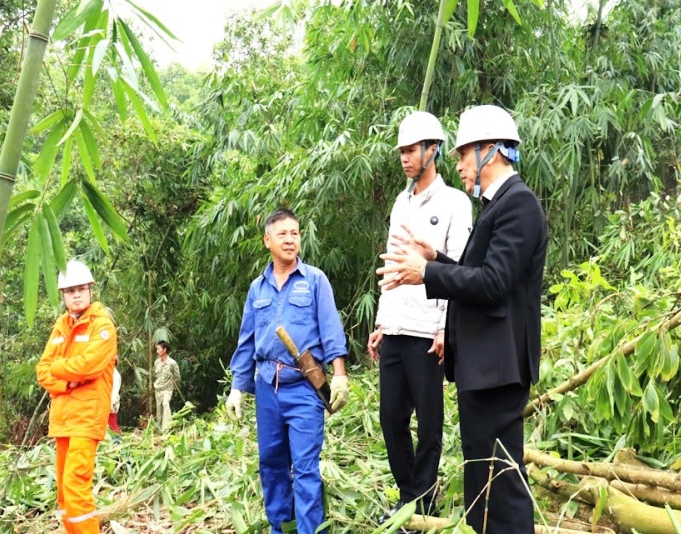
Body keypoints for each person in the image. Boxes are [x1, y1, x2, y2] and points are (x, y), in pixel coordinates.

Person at [377, 105, 548, 533]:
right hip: (482, 368)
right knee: (481, 477)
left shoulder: (519, 204)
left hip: (498, 367)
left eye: (462, 155)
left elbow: (493, 283)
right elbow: (480, 275)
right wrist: (437, 257)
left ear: (489, 151)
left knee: (501, 483)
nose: (458, 166)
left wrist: (427, 272)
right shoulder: (499, 205)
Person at [369, 111, 472, 523]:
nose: (405, 158)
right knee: (391, 418)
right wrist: (380, 322)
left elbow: (458, 268)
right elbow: (391, 264)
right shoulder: (400, 202)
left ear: (433, 150)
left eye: (412, 150)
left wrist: (446, 326)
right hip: (396, 325)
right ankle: (408, 495)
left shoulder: (454, 203)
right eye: (402, 152)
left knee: (429, 422)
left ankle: (421, 505)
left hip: (429, 329)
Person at [225, 208, 350, 534]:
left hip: (305, 388)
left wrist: (339, 375)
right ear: (268, 240)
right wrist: (237, 387)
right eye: (282, 234)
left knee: (306, 468)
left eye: (295, 233)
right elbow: (247, 341)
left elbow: (331, 329)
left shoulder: (314, 281)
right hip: (268, 388)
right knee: (271, 465)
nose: (290, 239)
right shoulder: (258, 288)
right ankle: (281, 528)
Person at [36, 260, 118, 534]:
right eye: (70, 291)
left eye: (81, 289)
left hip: (86, 417)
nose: (76, 294)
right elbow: (42, 371)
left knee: (76, 484)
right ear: (63, 295)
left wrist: (60, 370)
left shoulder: (102, 325)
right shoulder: (61, 326)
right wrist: (67, 382)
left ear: (90, 290)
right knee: (63, 491)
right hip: (62, 418)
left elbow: (90, 365)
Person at [153, 340, 180, 431]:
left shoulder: (172, 363)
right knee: (159, 411)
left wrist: (174, 387)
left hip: (167, 390)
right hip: (158, 389)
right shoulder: (156, 362)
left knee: (165, 403)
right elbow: (156, 375)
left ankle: (167, 428)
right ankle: (159, 429)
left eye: (158, 349)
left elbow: (177, 377)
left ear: (164, 350)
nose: (157, 351)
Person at [109, 356, 122, 443]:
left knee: (112, 424)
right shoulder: (111, 373)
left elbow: (114, 390)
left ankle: (116, 442)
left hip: (111, 402)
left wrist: (111, 402)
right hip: (109, 401)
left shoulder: (115, 375)